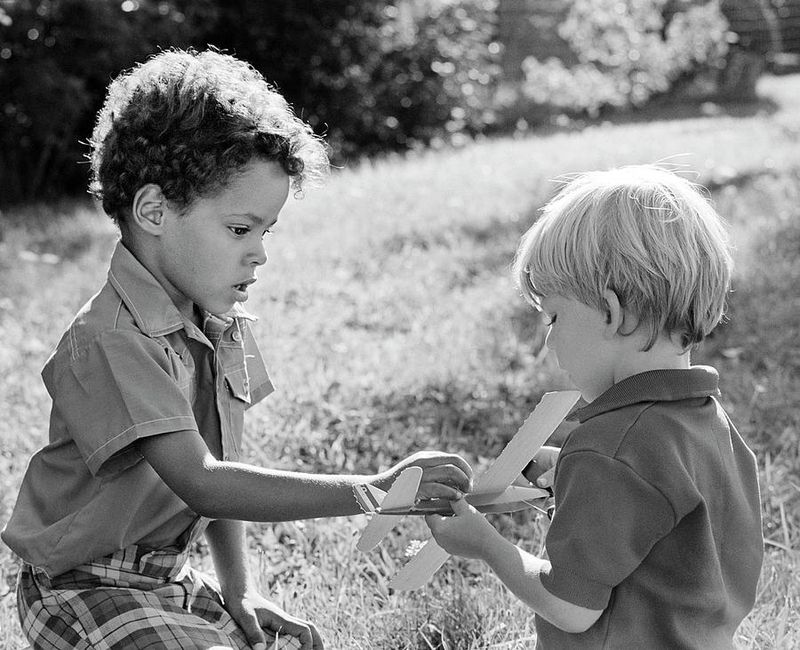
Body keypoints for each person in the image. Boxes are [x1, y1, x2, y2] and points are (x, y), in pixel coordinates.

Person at [1, 48, 472, 650]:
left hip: (162, 579)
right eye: (239, 229)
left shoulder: (224, 325)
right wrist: (371, 491)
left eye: (265, 232)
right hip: (78, 588)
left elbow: (224, 464)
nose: (259, 254)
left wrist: (238, 588)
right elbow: (206, 483)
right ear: (154, 211)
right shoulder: (111, 340)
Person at [425, 165, 763, 648]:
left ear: (611, 312)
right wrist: (569, 471)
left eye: (554, 318)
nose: (549, 343)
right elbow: (662, 504)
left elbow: (570, 607)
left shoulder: (608, 451)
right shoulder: (708, 424)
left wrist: (486, 546)